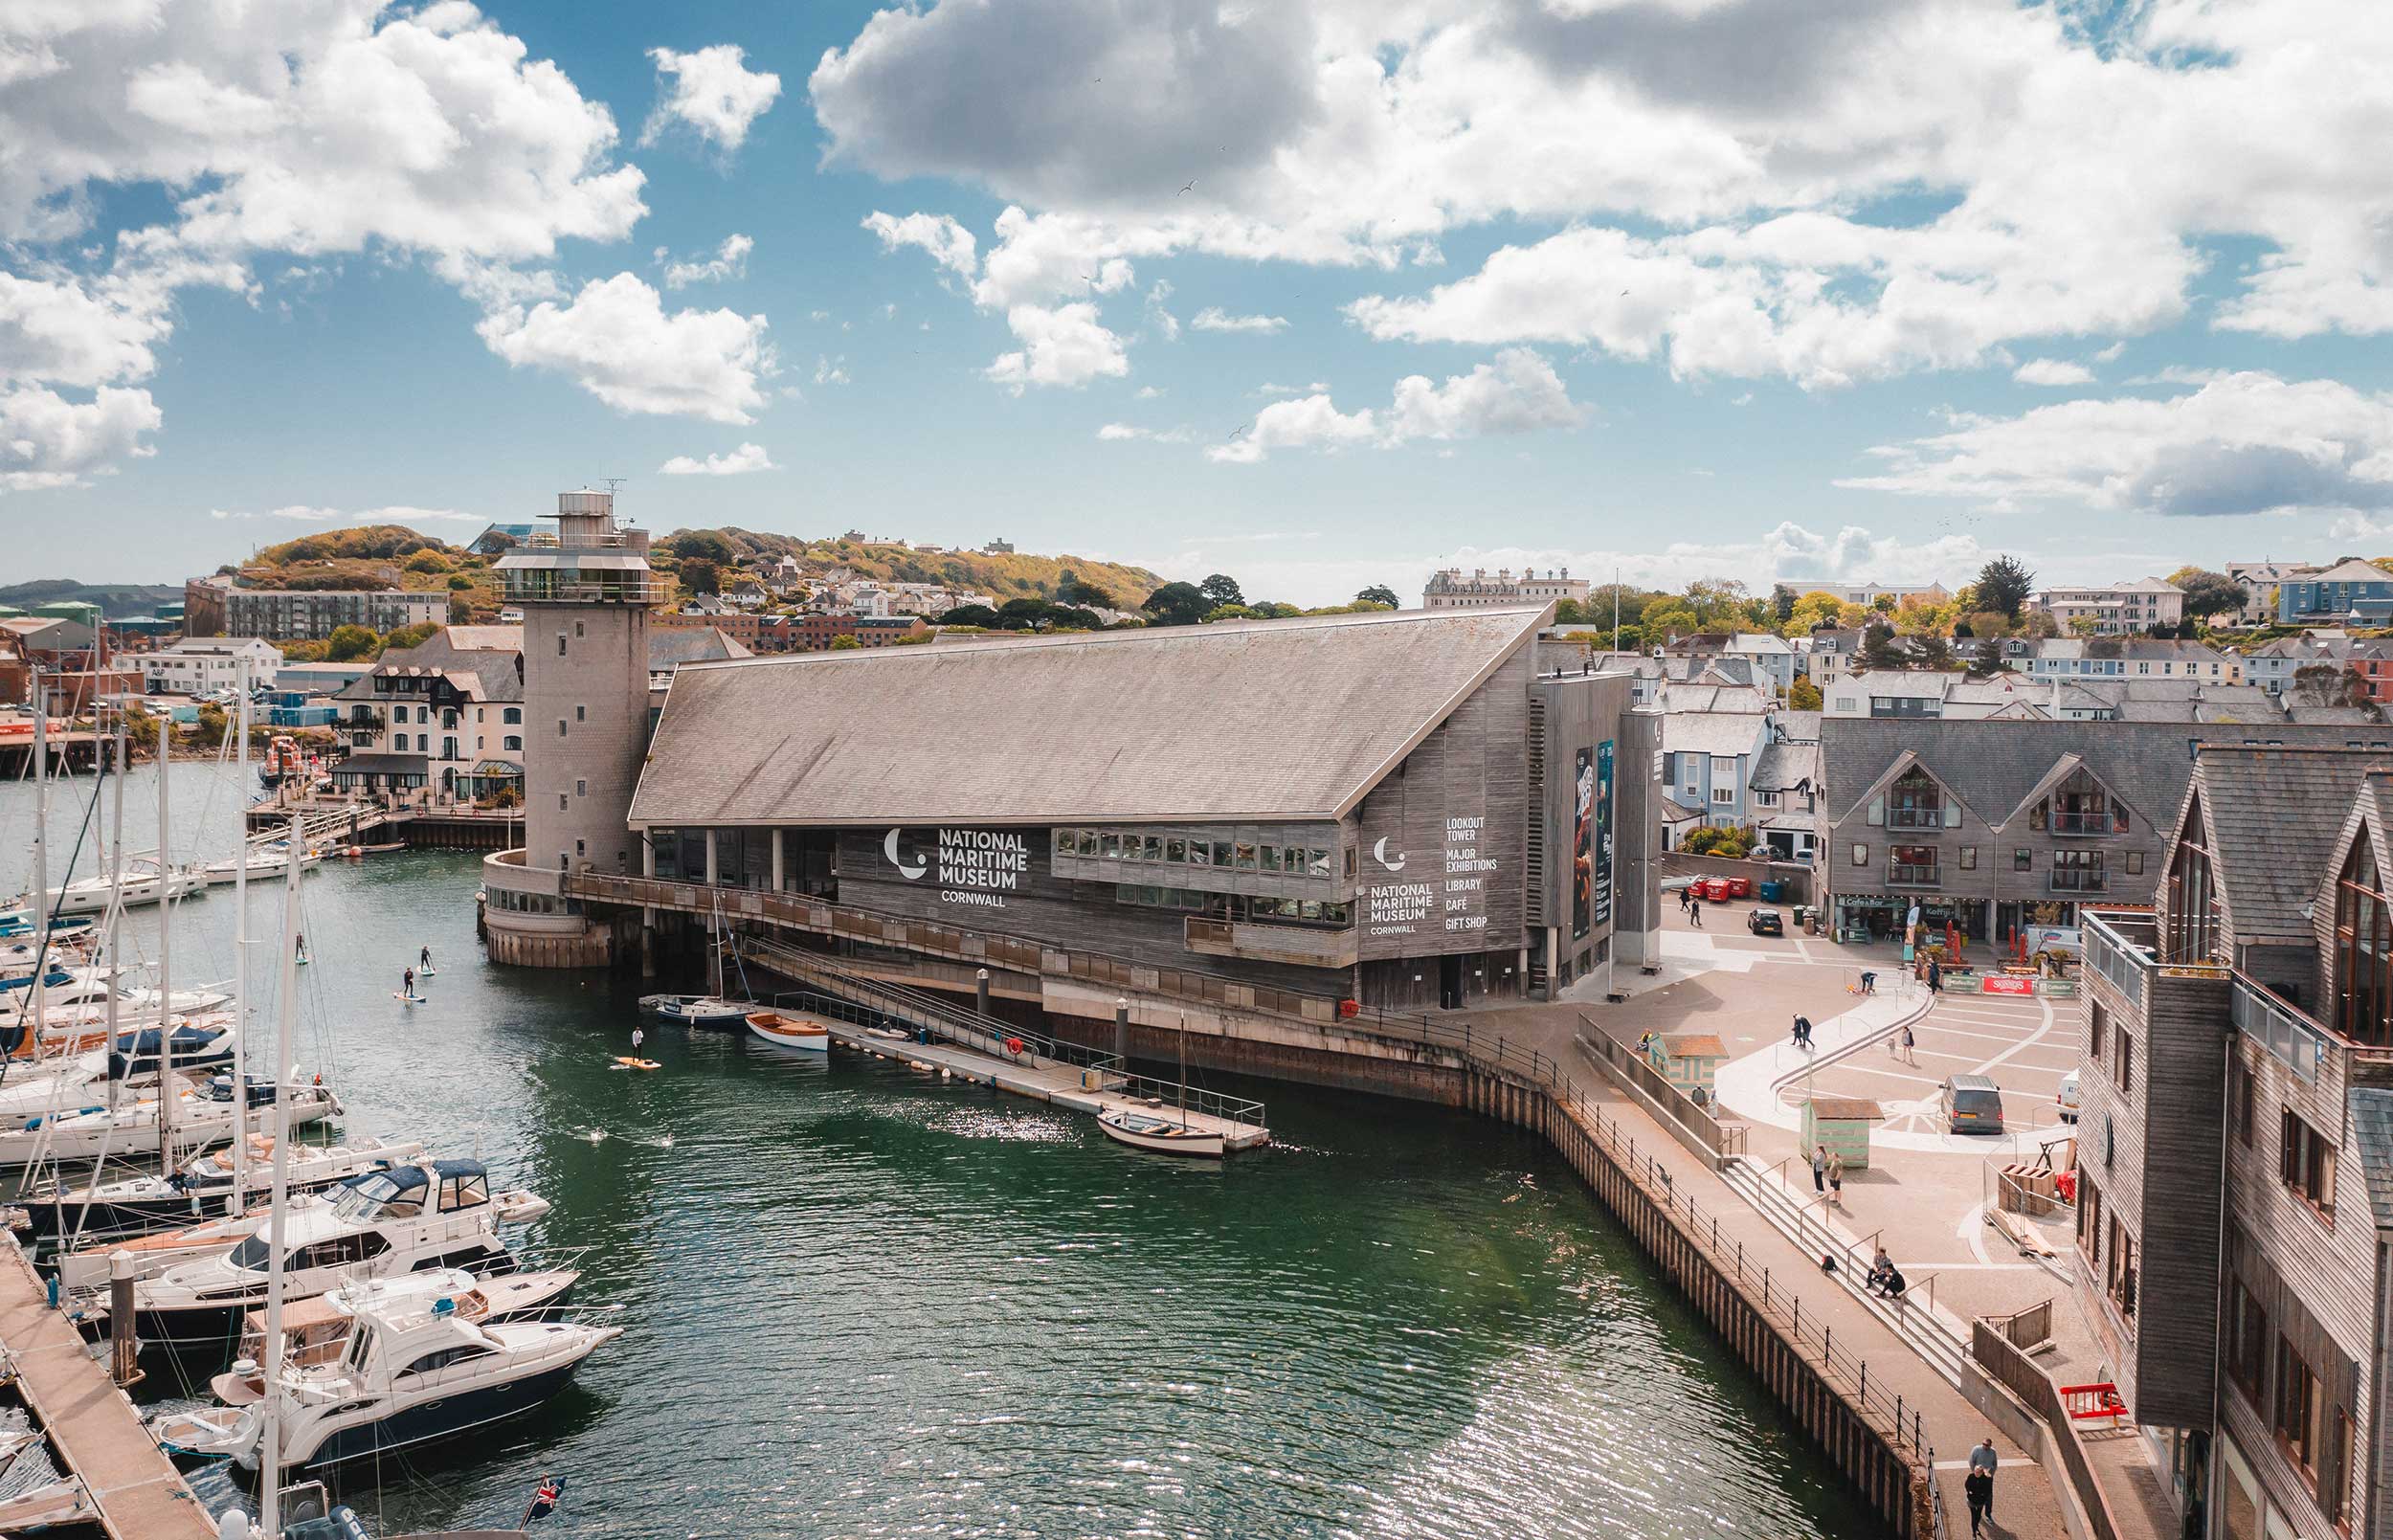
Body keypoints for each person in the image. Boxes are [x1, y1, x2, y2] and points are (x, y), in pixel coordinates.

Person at [1968, 1438, 1998, 1529]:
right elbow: (1971, 1461)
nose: (1985, 1446)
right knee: (1977, 1493)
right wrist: (1975, 1472)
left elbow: (1995, 1464)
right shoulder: (1976, 1450)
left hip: (1988, 1476)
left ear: (1990, 1445)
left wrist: (1991, 1474)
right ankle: (1977, 1511)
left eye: (1987, 1445)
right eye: (1983, 1444)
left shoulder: (1993, 1452)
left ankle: (1988, 1514)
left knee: (1989, 1495)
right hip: (1978, 1474)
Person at [1964, 1464, 1991, 1535]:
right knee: (1973, 1515)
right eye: (1975, 1471)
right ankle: (1974, 1532)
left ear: (1981, 1473)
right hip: (1972, 1500)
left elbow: (1988, 1490)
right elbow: (1967, 1485)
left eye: (1978, 1472)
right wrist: (1969, 1491)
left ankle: (1976, 1528)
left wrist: (1983, 1495)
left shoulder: (1985, 1479)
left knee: (1978, 1515)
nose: (1976, 1473)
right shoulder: (1971, 1476)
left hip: (1980, 1501)